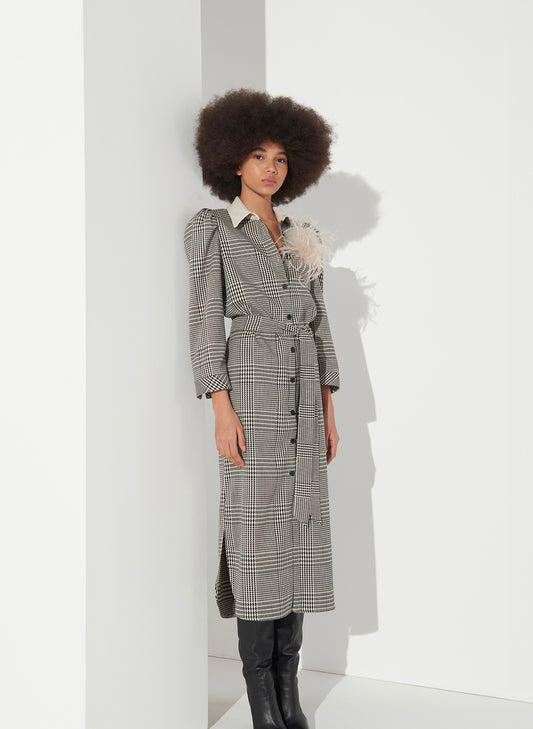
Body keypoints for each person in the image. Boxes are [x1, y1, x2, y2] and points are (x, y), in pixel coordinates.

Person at [184, 89, 341, 729]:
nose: (270, 168)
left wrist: (328, 408)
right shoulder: (213, 229)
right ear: (233, 160)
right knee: (255, 538)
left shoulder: (304, 237)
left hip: (305, 399)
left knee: (299, 535)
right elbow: (204, 321)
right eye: (258, 155)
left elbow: (321, 325)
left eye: (280, 158)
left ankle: (288, 691)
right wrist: (221, 408)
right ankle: (261, 704)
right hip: (251, 389)